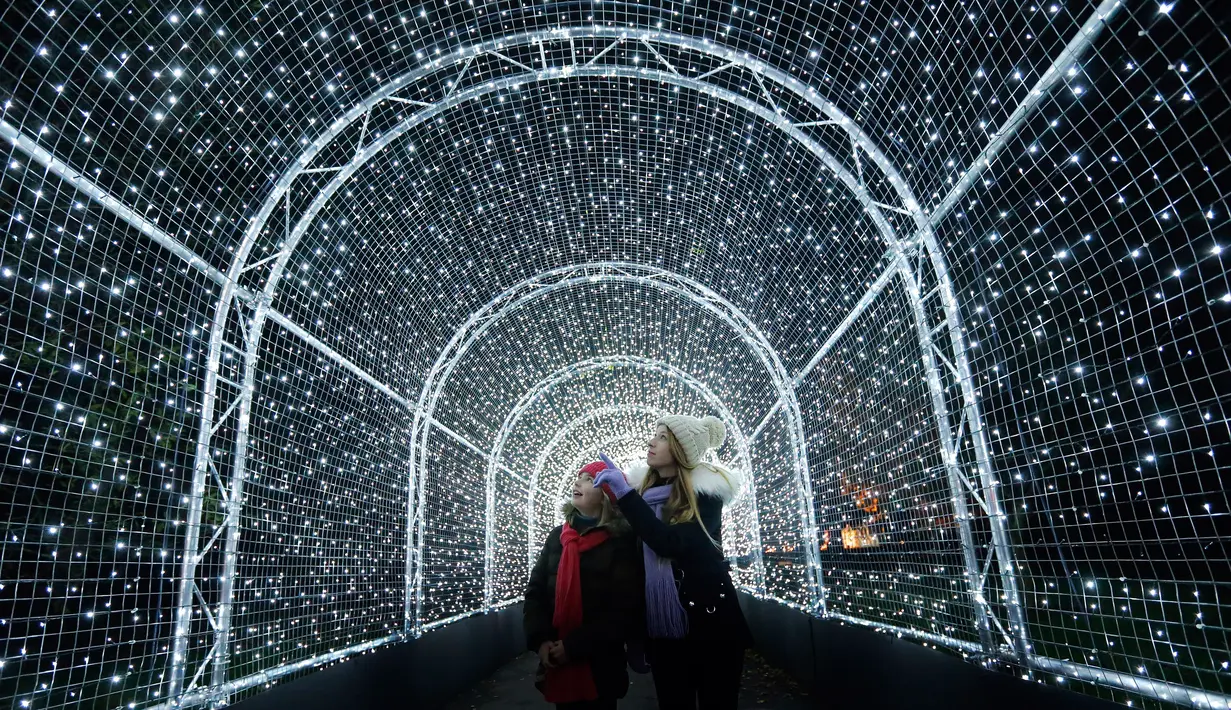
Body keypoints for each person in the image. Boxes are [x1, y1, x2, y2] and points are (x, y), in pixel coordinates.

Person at [594, 414, 753, 710]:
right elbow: (636, 570)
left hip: (714, 630)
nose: (652, 441)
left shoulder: (704, 495)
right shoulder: (643, 499)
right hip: (665, 635)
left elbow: (669, 543)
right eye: (654, 434)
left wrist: (626, 496)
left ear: (682, 449)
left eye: (663, 437)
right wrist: (637, 636)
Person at [524, 461, 643, 710]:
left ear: (606, 497)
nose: (578, 482)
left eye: (589, 479)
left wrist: (572, 647)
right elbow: (535, 593)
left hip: (600, 667)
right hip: (557, 661)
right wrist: (542, 640)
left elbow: (623, 610)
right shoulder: (558, 537)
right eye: (579, 477)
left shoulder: (620, 543)